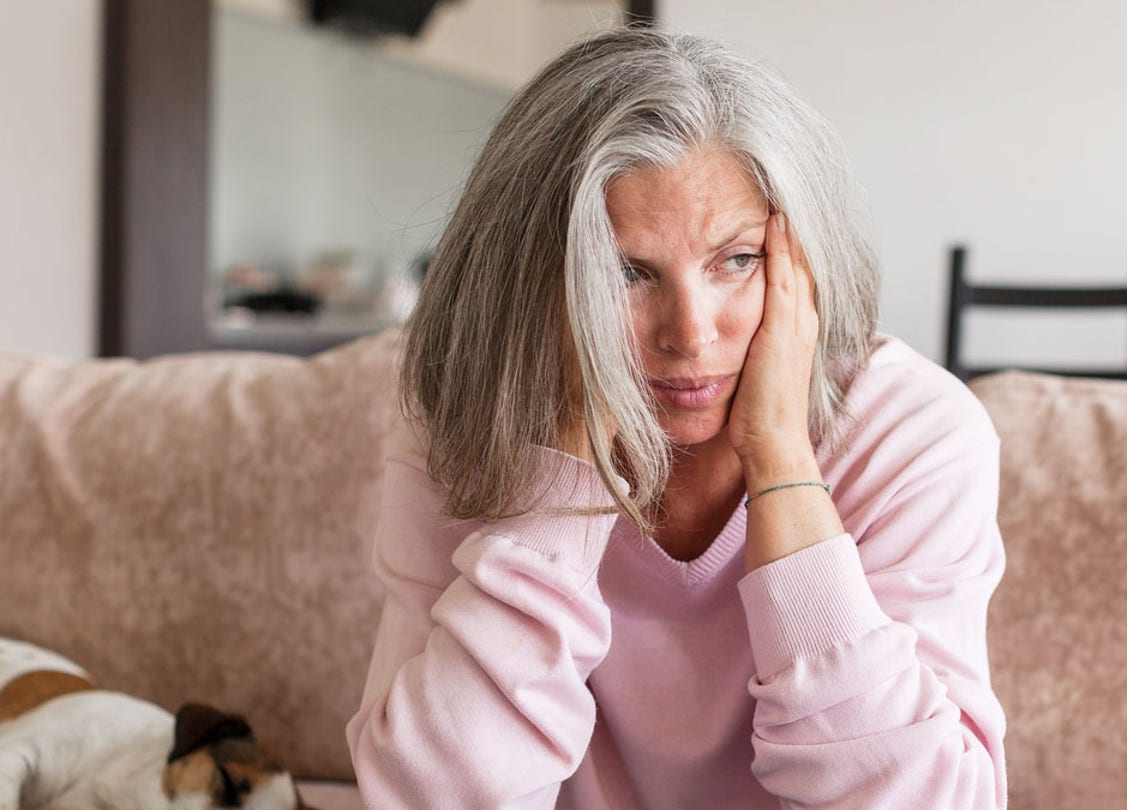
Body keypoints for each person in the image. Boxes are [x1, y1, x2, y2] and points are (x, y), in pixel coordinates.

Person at [346, 27, 1008, 809]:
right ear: (533, 282)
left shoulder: (914, 434)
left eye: (737, 260)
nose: (690, 333)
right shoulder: (459, 429)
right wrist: (564, 471)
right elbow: (436, 798)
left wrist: (783, 462)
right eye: (626, 273)